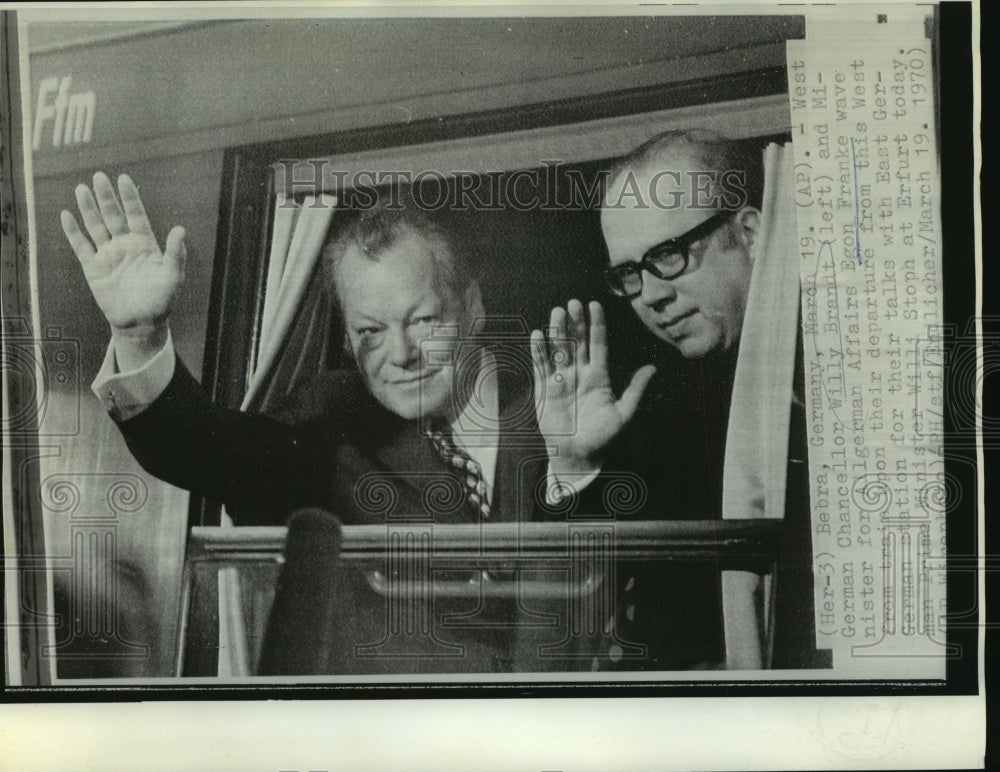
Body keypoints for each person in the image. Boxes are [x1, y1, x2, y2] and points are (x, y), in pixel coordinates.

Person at [61, 172, 656, 674]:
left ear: (472, 307)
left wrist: (574, 468)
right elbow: (205, 449)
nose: (399, 354)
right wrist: (140, 337)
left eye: (422, 320)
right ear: (347, 338)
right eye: (370, 332)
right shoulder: (329, 420)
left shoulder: (568, 406)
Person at [599, 129, 829, 670]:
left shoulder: (849, 367)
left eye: (669, 255)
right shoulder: (691, 405)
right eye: (629, 273)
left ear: (749, 232)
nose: (651, 295)